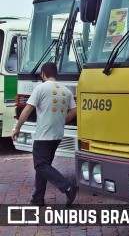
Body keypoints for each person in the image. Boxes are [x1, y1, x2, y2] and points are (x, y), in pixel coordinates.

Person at [12, 62, 79, 206]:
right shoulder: (66, 90)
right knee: (44, 165)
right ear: (55, 74)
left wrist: (17, 128)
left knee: (40, 165)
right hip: (57, 135)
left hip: (43, 134)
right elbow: (74, 110)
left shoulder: (40, 88)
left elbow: (26, 110)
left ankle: (67, 186)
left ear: (43, 73)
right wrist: (62, 120)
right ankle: (38, 198)